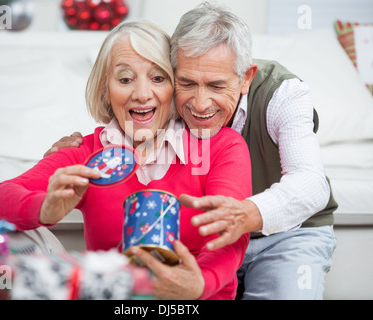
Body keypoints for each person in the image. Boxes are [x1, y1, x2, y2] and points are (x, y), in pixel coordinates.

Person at [49, 2, 338, 300]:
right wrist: (75, 149)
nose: (200, 104)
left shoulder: (284, 94)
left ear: (246, 78)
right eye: (187, 83)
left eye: (216, 86)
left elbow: (311, 183)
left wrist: (248, 214)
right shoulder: (166, 98)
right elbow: (132, 106)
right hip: (209, 243)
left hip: (285, 234)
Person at [0, 20, 252, 300]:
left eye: (158, 78)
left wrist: (201, 284)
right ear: (104, 90)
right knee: (17, 237)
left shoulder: (221, 147)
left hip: (196, 300)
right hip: (115, 297)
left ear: (175, 87)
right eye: (125, 79)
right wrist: (45, 209)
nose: (142, 94)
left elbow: (231, 231)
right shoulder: (86, 152)